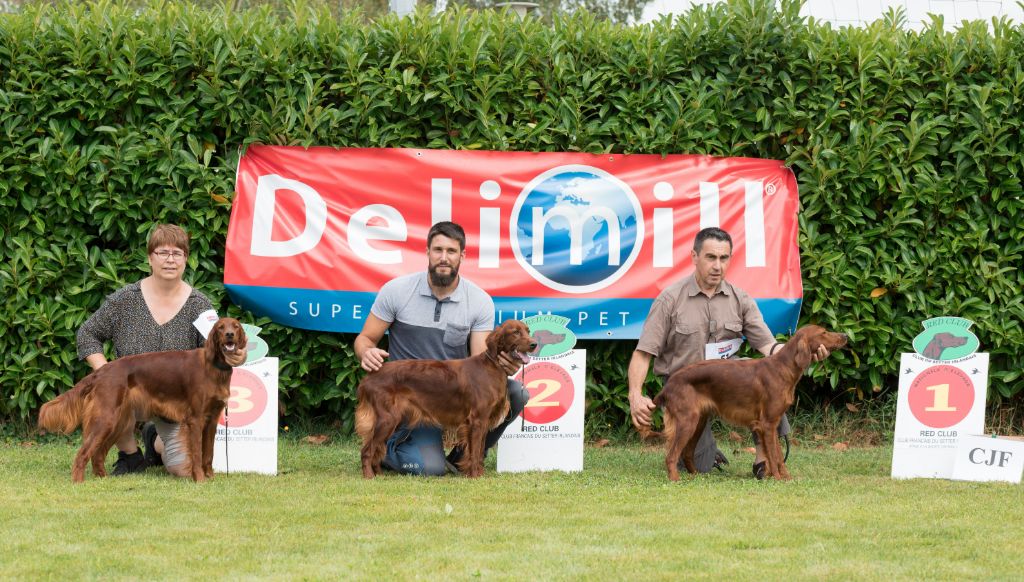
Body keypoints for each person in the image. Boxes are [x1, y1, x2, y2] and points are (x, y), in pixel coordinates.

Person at [627, 227, 830, 478]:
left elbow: (770, 347)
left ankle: (763, 458)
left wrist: (807, 352)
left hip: (731, 385)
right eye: (711, 257)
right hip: (688, 386)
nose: (717, 266)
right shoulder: (670, 299)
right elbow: (643, 353)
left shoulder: (740, 298)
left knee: (771, 381)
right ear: (694, 257)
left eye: (724, 258)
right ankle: (707, 452)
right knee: (697, 463)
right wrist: (635, 394)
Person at [354, 221, 528, 476]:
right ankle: (391, 448)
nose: (444, 257)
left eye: (451, 251)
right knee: (430, 469)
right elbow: (364, 339)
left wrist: (504, 366)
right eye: (438, 250)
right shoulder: (397, 291)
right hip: (411, 395)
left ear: (462, 256)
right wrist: (366, 351)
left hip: (452, 392)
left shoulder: (479, 300)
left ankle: (463, 456)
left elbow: (482, 361)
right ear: (427, 252)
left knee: (515, 392)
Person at [77, 224, 220, 478]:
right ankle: (130, 455)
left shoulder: (200, 305)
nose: (170, 260)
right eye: (162, 252)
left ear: (186, 260)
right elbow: (87, 334)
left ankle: (155, 440)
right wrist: (108, 376)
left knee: (182, 469)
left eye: (177, 253)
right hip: (130, 393)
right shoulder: (125, 300)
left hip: (175, 402)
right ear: (149, 258)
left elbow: (212, 356)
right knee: (120, 400)